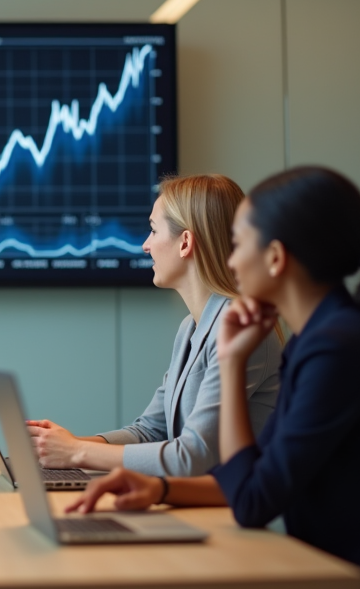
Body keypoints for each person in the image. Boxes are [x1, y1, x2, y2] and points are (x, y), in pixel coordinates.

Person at [69, 166, 360, 589]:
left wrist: (230, 363)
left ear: (276, 258)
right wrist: (159, 486)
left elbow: (252, 500)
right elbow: (250, 478)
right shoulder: (322, 341)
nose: (229, 261)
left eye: (240, 243)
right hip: (326, 573)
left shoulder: (336, 351)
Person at [25, 174, 283, 477]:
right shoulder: (191, 327)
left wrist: (76, 453)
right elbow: (151, 430)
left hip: (229, 516)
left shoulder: (241, 328)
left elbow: (192, 456)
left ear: (185, 242)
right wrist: (60, 444)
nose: (146, 246)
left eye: (153, 230)